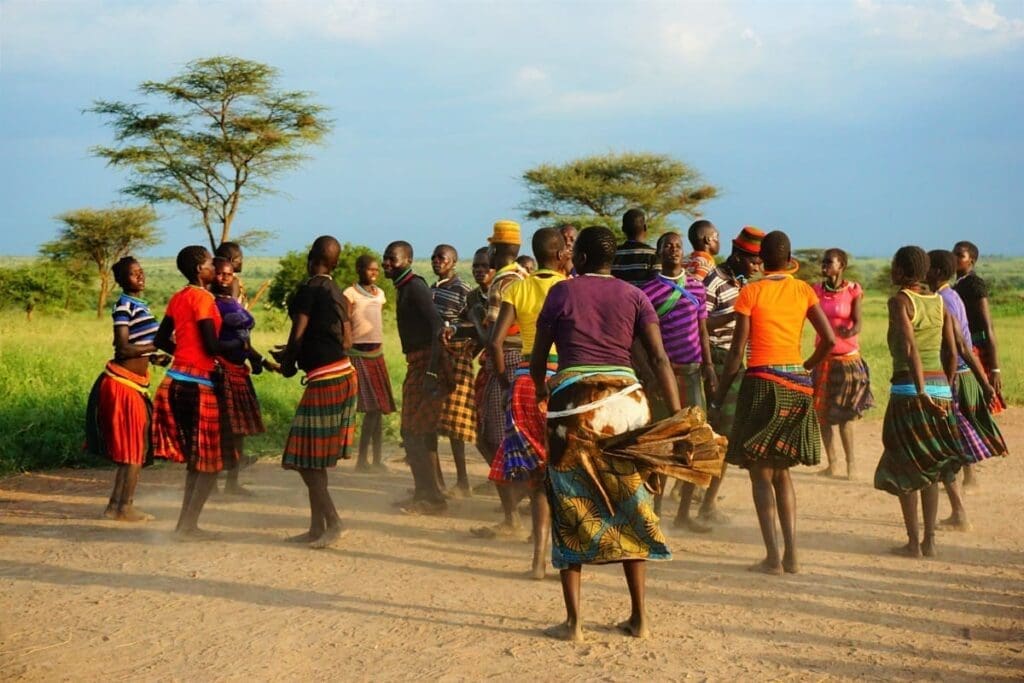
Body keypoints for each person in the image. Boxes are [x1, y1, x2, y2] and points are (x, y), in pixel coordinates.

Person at [533, 225, 681, 642]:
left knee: (569, 504)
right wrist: (680, 414)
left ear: (578, 258)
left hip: (574, 406)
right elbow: (659, 357)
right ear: (611, 260)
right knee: (634, 503)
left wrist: (542, 393)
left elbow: (541, 359)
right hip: (629, 404)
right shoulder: (634, 296)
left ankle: (575, 623)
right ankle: (639, 619)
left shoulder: (562, 292)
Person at [715, 231, 835, 575]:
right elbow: (828, 339)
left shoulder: (751, 291)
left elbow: (737, 352)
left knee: (760, 473)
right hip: (796, 385)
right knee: (782, 472)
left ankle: (772, 557)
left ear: (761, 260)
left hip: (761, 384)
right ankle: (793, 555)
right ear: (789, 257)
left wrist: (719, 396)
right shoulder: (803, 290)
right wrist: (805, 368)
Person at [486, 227, 570, 579]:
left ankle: (537, 563)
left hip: (524, 381)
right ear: (560, 253)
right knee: (565, 471)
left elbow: (494, 343)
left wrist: (509, 379)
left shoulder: (517, 287)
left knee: (537, 476)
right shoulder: (567, 287)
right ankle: (569, 558)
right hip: (563, 381)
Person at [874, 246, 963, 559]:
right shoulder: (940, 303)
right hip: (941, 389)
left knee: (905, 466)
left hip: (910, 392)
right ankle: (930, 542)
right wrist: (942, 389)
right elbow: (952, 353)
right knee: (933, 467)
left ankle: (913, 543)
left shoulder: (900, 301)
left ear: (899, 270)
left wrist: (922, 391)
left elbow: (909, 349)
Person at [270, 236, 357, 549]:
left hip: (326, 379)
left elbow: (298, 333)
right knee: (313, 457)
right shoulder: (338, 293)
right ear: (334, 263)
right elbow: (346, 342)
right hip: (344, 374)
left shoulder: (309, 289)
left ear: (311, 258)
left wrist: (289, 361)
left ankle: (333, 522)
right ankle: (315, 528)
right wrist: (302, 350)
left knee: (306, 459)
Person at [153, 245, 239, 539]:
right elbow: (212, 346)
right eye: (209, 266)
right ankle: (187, 526)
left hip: (174, 381)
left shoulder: (178, 297)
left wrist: (183, 353)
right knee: (211, 462)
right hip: (198, 386)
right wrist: (236, 347)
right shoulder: (203, 299)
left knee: (196, 460)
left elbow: (160, 338)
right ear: (199, 271)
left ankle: (184, 524)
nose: (214, 270)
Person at [638, 232, 717, 533]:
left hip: (694, 372)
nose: (672, 249)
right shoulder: (648, 292)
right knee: (662, 444)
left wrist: (709, 365)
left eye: (677, 246)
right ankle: (655, 513)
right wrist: (648, 373)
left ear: (683, 252)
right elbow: (639, 339)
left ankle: (684, 513)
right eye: (666, 245)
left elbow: (702, 329)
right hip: (663, 378)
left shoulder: (696, 287)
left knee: (695, 443)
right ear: (659, 252)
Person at [926, 249, 1007, 530]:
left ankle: (959, 513)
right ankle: (958, 507)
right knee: (951, 447)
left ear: (935, 272)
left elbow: (958, 345)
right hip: (962, 374)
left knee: (943, 450)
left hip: (952, 378)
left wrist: (947, 386)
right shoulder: (954, 295)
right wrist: (983, 380)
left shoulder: (942, 301)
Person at [85, 256, 167, 522]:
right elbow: (122, 348)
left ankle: (115, 506)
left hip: (133, 384)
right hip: (122, 384)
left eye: (141, 272)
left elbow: (136, 344)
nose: (140, 277)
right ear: (121, 281)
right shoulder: (124, 306)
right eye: (133, 274)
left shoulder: (139, 306)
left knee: (134, 448)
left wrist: (154, 358)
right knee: (134, 449)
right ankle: (125, 507)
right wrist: (156, 345)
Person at [698, 226, 764, 523]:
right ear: (737, 257)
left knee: (726, 437)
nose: (757, 267)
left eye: (760, 262)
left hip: (738, 364)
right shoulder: (713, 281)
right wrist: (737, 313)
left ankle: (706, 501)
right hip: (719, 360)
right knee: (719, 436)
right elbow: (702, 326)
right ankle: (704, 505)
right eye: (752, 261)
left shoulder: (744, 284)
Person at [383, 240, 449, 515]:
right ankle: (427, 492)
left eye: (393, 259)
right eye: (385, 258)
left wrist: (432, 372)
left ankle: (431, 497)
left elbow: (437, 327)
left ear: (407, 260)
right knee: (417, 432)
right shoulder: (404, 287)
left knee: (413, 432)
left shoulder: (415, 287)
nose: (387, 263)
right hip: (419, 364)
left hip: (425, 364)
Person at [474, 221, 529, 526]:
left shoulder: (502, 283)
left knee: (492, 437)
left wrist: (472, 319)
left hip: (504, 359)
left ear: (497, 249)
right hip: (525, 357)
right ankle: (516, 506)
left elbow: (492, 334)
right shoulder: (525, 276)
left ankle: (512, 513)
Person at [811, 248, 874, 479]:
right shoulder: (816, 291)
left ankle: (851, 465)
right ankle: (833, 463)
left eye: (830, 262)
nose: (824, 265)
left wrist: (847, 332)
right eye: (823, 261)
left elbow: (858, 323)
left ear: (842, 265)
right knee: (823, 415)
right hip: (823, 359)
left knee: (846, 416)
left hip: (847, 361)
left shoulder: (853, 290)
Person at [212, 257, 266, 496]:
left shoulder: (232, 301)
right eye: (221, 273)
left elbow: (243, 336)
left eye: (229, 274)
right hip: (220, 370)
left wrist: (257, 359)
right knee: (219, 429)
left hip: (238, 369)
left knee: (239, 429)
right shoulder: (209, 303)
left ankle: (232, 483)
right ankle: (211, 484)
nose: (225, 278)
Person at [430, 244, 477, 495]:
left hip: (457, 358)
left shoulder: (463, 290)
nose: (437, 261)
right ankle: (436, 484)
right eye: (434, 258)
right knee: (434, 421)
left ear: (454, 262)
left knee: (456, 424)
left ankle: (463, 481)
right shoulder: (432, 290)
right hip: (435, 360)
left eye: (442, 258)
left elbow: (475, 323)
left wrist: (462, 342)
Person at [343, 254, 396, 472]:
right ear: (359, 269)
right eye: (369, 270)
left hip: (377, 353)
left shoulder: (380, 294)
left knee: (380, 408)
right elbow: (345, 321)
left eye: (376, 270)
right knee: (372, 408)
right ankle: (362, 460)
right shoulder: (350, 293)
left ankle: (376, 459)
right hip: (358, 354)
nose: (373, 273)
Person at [953, 241, 1005, 424]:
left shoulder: (974, 284)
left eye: (960, 255)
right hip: (964, 346)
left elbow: (988, 326)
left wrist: (995, 368)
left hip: (975, 348)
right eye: (954, 254)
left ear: (971, 260)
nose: (955, 258)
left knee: (974, 402)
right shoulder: (957, 284)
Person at [611, 208, 659, 284]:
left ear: (623, 229)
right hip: (645, 296)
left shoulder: (612, 254)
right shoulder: (654, 255)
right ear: (645, 227)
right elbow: (656, 284)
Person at [214, 241, 246, 306]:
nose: (241, 262)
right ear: (231, 260)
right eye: (240, 258)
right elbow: (233, 306)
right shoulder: (234, 281)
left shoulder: (213, 279)